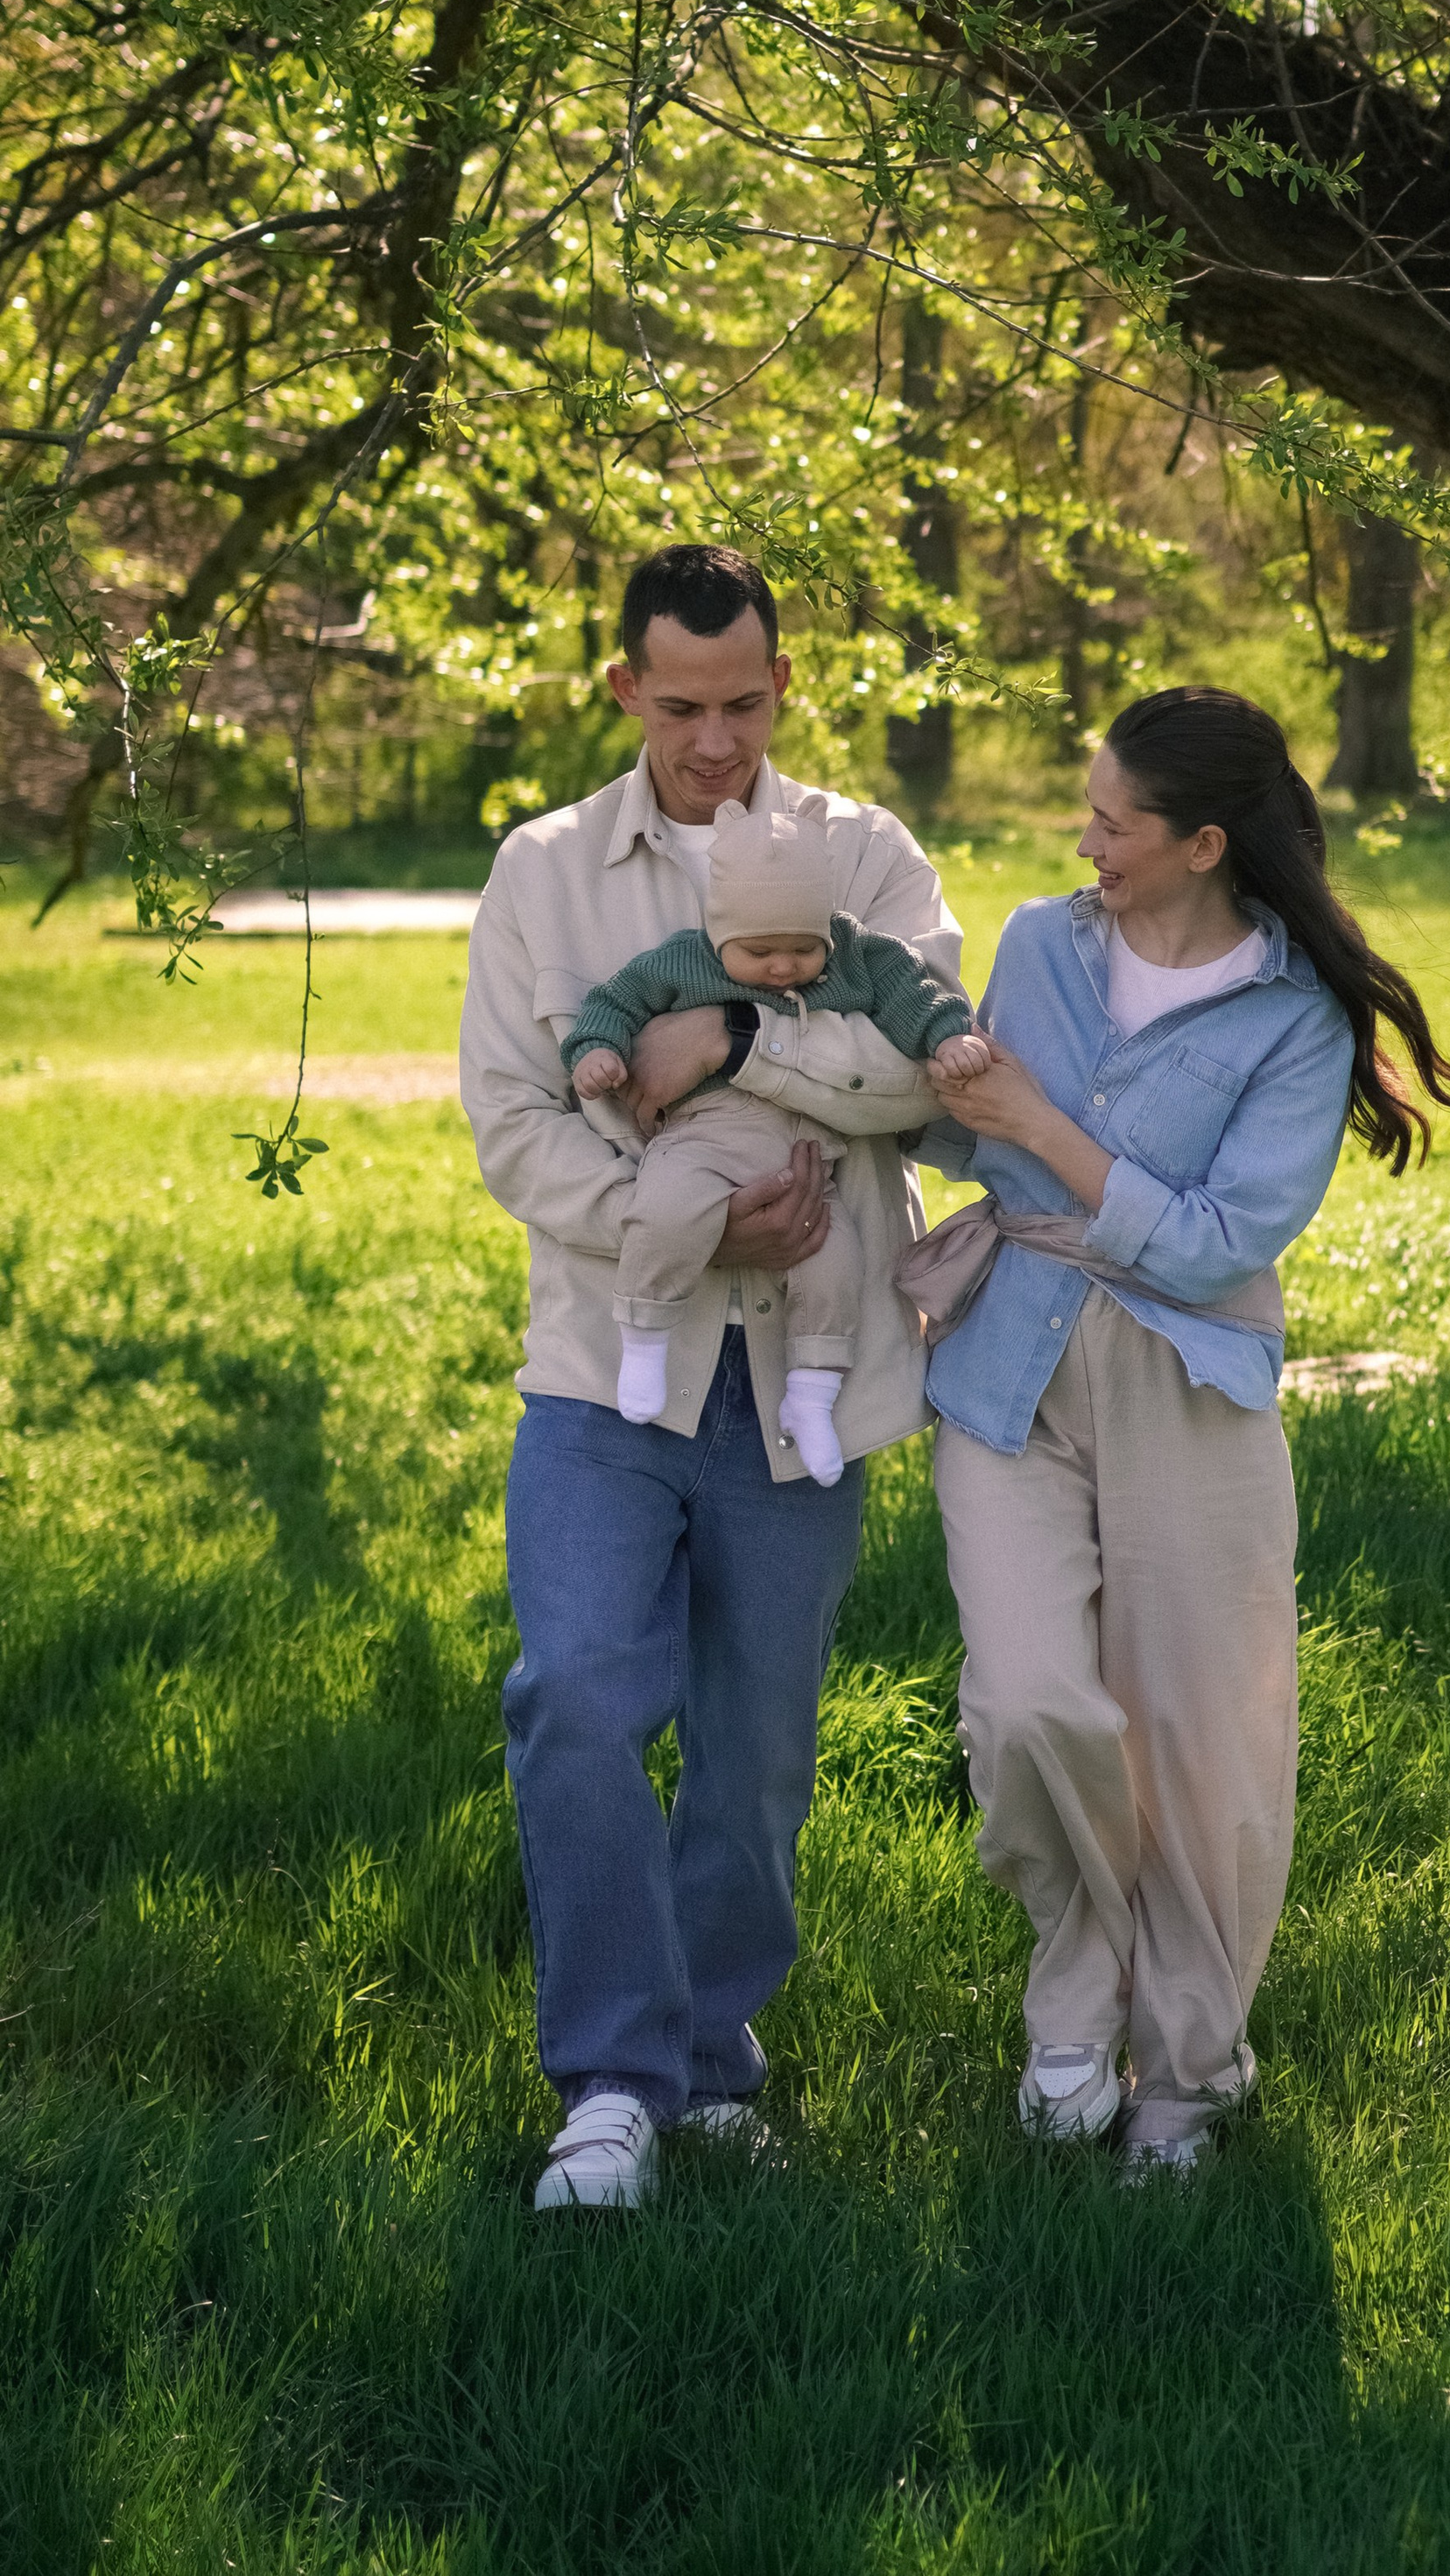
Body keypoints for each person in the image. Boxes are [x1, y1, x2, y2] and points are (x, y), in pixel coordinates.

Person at [908, 686, 1450, 2174]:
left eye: (1116, 821)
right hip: (1007, 1369)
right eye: (1090, 807)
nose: (1086, 839)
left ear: (1201, 843)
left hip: (1189, 1377)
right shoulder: (1041, 942)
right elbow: (966, 1131)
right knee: (1029, 1705)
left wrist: (1044, 1127)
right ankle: (1073, 2002)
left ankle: (1186, 2069)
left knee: (1201, 1746)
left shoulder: (1295, 1018)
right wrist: (900, 1076)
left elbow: (1217, 1241)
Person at [460, 543, 962, 2212]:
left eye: (745, 702)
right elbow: (518, 1127)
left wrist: (731, 1044)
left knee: (756, 1750)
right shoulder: (540, 871)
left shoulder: (868, 856)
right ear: (625, 691)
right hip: (608, 1368)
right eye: (682, 706)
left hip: (809, 1374)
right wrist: (690, 1226)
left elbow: (923, 1076)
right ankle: (614, 2079)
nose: (716, 737)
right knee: (577, 1698)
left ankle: (714, 2060)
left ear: (782, 685)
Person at [563, 800, 989, 1467]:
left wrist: (947, 1037)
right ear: (719, 932)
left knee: (836, 1266)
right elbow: (614, 1002)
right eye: (759, 952)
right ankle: (644, 1344)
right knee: (666, 1211)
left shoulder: (860, 956)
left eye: (803, 949)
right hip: (703, 1139)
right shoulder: (683, 961)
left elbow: (915, 996)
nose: (783, 968)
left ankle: (811, 1397)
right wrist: (596, 1050)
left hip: (810, 1163)